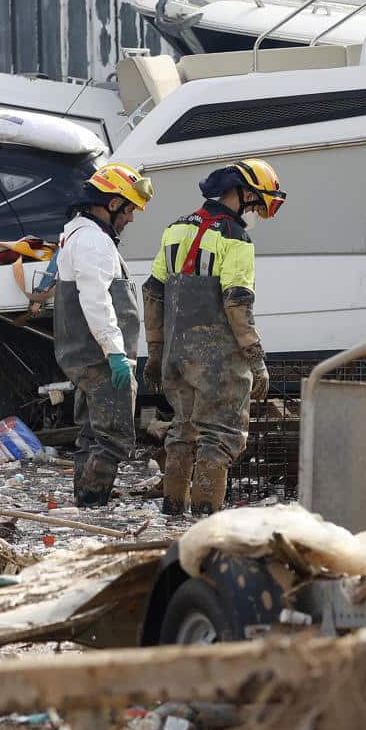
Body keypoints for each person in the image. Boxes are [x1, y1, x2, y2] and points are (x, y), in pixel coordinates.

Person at [147, 158, 286, 516]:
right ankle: (206, 520)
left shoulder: (174, 229)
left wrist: (155, 351)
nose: (256, 212)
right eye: (257, 202)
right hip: (218, 359)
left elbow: (154, 293)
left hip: (176, 355)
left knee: (183, 432)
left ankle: (172, 514)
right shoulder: (236, 239)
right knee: (219, 438)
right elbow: (238, 303)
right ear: (240, 194)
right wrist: (256, 360)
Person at [54, 161, 153, 507]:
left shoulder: (79, 234)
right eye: (129, 209)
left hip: (88, 354)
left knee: (91, 434)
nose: (131, 218)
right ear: (112, 204)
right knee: (112, 437)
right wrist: (114, 352)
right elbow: (96, 300)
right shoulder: (93, 242)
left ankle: (84, 503)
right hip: (101, 357)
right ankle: (94, 504)